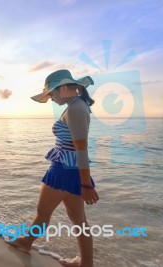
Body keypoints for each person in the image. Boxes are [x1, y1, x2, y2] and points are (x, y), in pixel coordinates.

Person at [5, 69, 99, 267]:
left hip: (63, 171)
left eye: (52, 93)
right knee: (79, 220)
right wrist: (83, 181)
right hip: (69, 169)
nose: (51, 98)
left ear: (63, 88)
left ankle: (25, 242)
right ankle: (86, 264)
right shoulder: (76, 105)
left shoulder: (75, 108)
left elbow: (81, 149)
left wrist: (86, 185)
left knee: (43, 212)